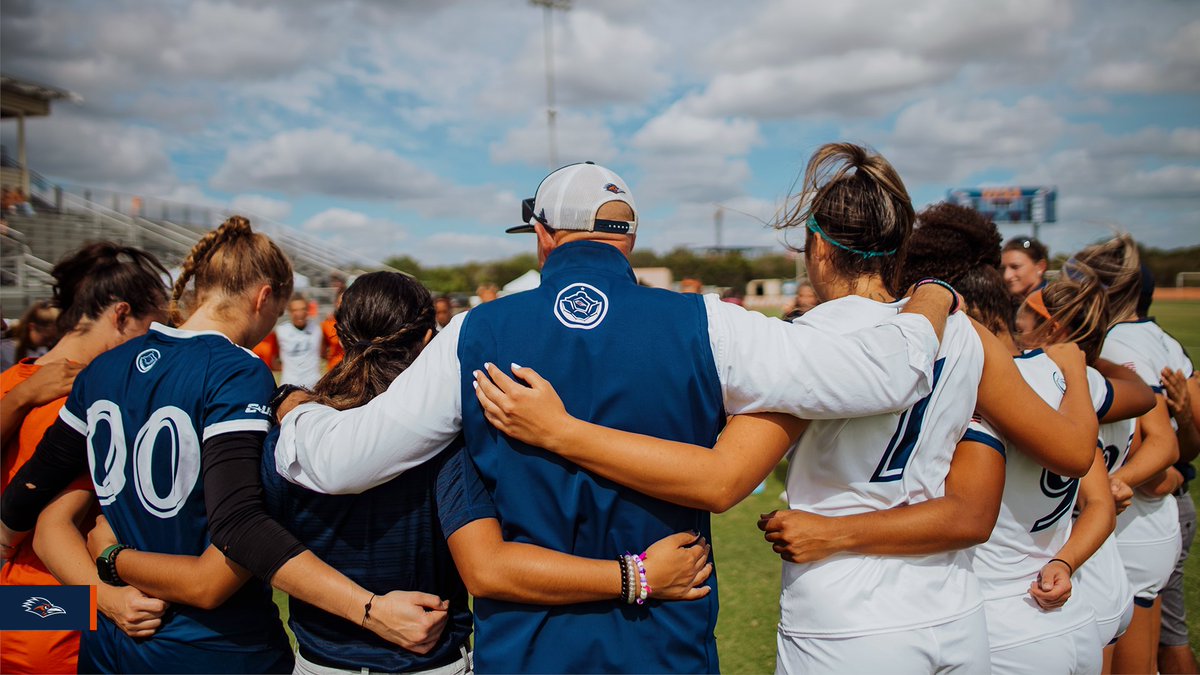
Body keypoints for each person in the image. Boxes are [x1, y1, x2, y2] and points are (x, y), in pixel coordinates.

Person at [272, 160, 962, 672]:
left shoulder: (477, 332)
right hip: (665, 642)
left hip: (531, 648)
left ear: (543, 236)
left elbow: (341, 462)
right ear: (628, 239)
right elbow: (891, 372)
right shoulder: (710, 323)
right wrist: (931, 293)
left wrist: (295, 411)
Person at [472, 153, 1103, 674]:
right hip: (955, 611)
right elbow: (1074, 454)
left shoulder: (806, 342)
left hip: (849, 616)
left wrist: (561, 432)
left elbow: (719, 481)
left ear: (819, 251)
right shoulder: (965, 331)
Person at [0, 217, 450, 673]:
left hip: (105, 642)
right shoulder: (237, 370)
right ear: (263, 297)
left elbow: (36, 502)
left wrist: (106, 567)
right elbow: (228, 549)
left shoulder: (98, 370)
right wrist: (368, 609)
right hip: (212, 645)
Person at [262, 271, 713, 674]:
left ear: (339, 336)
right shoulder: (449, 440)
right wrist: (637, 575)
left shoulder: (291, 429)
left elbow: (259, 542)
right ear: (427, 340)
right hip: (430, 662)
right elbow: (488, 568)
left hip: (318, 660)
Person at [1, 243, 172, 674]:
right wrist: (103, 601)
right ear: (120, 316)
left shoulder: (14, 382)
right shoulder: (95, 402)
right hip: (57, 622)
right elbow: (49, 532)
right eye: (155, 329)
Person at [1075, 235, 1183, 674]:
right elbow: (1177, 436)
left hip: (1131, 526)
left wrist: (1118, 481)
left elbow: (1157, 441)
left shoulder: (1116, 347)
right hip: (1154, 517)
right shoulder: (1153, 338)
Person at [275, 294, 324, 387]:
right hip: (289, 386)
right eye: (295, 310)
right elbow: (272, 358)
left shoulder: (317, 329)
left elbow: (325, 352)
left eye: (303, 309)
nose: (300, 313)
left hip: (314, 386)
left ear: (308, 310)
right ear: (289, 312)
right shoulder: (281, 331)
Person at [1002, 236, 1049, 301]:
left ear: (1040, 267)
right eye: (1003, 269)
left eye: (1015, 267)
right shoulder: (1010, 303)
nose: (1006, 276)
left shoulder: (1055, 305)